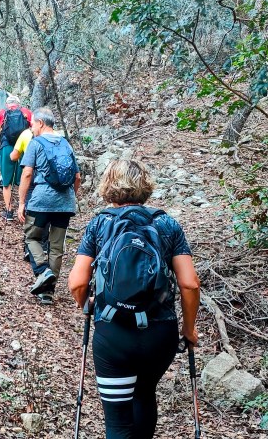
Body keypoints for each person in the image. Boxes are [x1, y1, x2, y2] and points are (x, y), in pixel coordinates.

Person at [67, 159, 201, 438]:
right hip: (159, 333)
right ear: (145, 185)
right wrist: (189, 328)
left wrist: (87, 306)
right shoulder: (167, 224)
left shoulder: (100, 224)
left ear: (108, 186)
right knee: (144, 394)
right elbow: (189, 284)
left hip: (113, 333)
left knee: (117, 421)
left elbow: (77, 282)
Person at [17, 107, 80, 304]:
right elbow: (77, 177)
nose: (32, 127)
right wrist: (69, 198)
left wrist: (21, 202)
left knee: (31, 237)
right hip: (65, 203)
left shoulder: (36, 143)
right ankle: (48, 292)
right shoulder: (66, 144)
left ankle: (43, 271)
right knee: (56, 246)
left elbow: (27, 174)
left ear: (41, 123)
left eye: (33, 124)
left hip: (41, 201)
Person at [0, 95, 32, 221]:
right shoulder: (26, 112)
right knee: (24, 178)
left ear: (7, 104)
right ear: (19, 103)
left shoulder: (2, 113)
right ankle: (24, 208)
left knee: (7, 181)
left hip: (7, 148)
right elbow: (35, 128)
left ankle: (9, 211)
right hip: (23, 149)